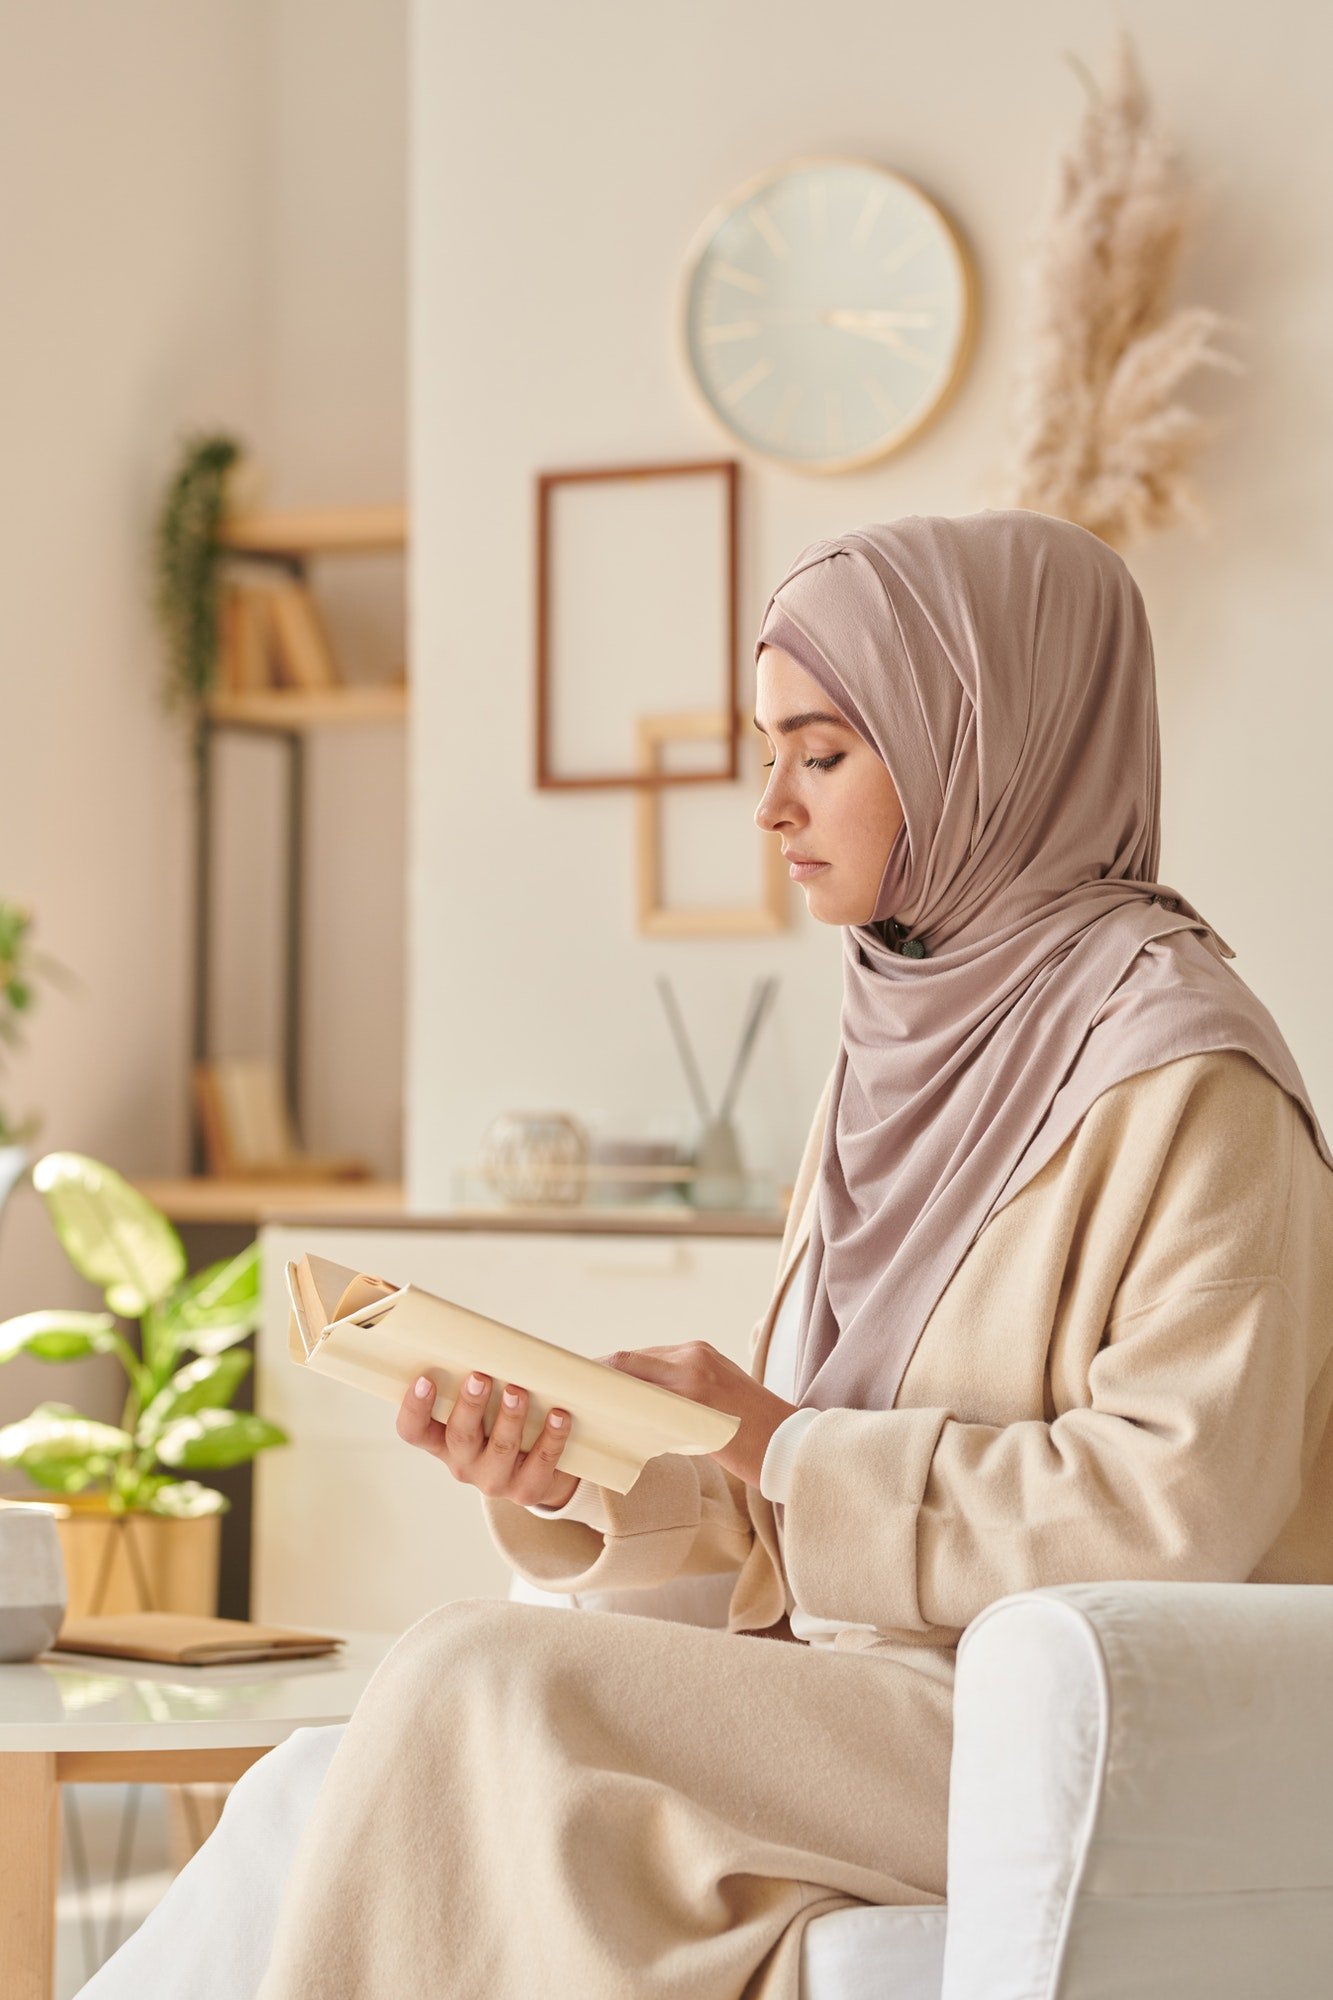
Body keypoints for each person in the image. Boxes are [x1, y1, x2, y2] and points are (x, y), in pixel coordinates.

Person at [78, 510, 1333, 2000]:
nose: (768, 808)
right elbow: (790, 1513)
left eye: (819, 754)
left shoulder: (1192, 1083)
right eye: (766, 753)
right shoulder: (897, 1058)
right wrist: (583, 1473)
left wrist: (782, 1438)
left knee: (480, 1679)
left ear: (976, 748)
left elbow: (1170, 1506)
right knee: (315, 1780)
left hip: (1045, 1736)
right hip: (843, 1693)